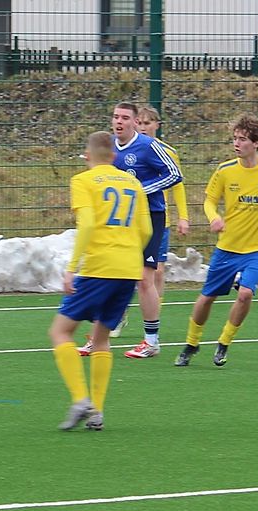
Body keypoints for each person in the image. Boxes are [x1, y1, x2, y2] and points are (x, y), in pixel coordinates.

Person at [174, 114, 258, 367]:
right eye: (235, 138)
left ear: (256, 143)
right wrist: (214, 218)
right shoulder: (225, 170)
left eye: (242, 139)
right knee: (207, 297)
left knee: (246, 293)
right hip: (227, 247)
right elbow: (209, 201)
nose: (236, 143)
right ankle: (191, 344)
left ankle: (224, 343)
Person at [51, 131, 150, 431]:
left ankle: (80, 399)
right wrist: (129, 253)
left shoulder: (83, 181)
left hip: (99, 267)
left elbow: (88, 224)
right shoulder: (132, 183)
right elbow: (146, 230)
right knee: (101, 338)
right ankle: (97, 412)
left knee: (60, 332)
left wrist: (72, 268)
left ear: (87, 155)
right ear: (114, 156)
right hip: (128, 269)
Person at [95, 105, 190, 341]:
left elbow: (175, 175)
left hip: (150, 217)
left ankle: (151, 339)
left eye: (125, 118)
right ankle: (110, 323)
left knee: (146, 277)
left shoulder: (149, 146)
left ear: (134, 122)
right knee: (113, 273)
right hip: (121, 220)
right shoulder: (108, 145)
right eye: (115, 117)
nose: (119, 121)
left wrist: (141, 190)